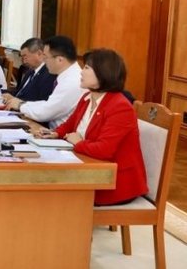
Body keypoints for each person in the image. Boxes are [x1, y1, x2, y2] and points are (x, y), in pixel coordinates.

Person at [36, 49, 147, 206]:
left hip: (114, 184)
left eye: (87, 68)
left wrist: (78, 143)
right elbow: (70, 125)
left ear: (103, 73)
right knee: (44, 186)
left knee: (51, 194)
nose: (81, 72)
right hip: (88, 169)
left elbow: (104, 150)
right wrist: (54, 133)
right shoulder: (87, 98)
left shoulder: (120, 107)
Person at [5, 36, 85, 128]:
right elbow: (48, 104)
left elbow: (46, 112)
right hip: (51, 130)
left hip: (58, 133)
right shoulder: (66, 75)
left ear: (60, 60)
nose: (44, 61)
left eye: (46, 57)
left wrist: (20, 105)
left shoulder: (71, 81)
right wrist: (23, 104)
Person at [2, 37, 56, 102]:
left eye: (25, 57)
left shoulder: (49, 75)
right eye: (22, 57)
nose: (23, 61)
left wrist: (18, 101)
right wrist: (0, 92)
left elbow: (41, 102)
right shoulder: (30, 71)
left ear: (39, 54)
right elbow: (19, 93)